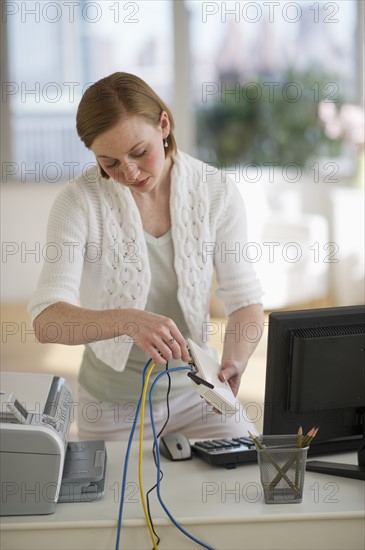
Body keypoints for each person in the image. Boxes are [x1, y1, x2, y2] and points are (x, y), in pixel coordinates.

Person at [28, 72, 264, 441]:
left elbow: (245, 299)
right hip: (110, 406)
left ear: (164, 124)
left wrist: (235, 359)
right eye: (110, 163)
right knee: (119, 500)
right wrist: (128, 321)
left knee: (251, 473)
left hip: (199, 395)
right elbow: (47, 321)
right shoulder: (77, 203)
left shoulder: (215, 190)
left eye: (139, 152)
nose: (130, 172)